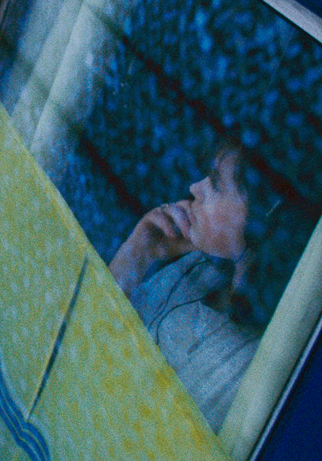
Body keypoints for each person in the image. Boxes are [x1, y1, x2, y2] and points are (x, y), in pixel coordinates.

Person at [107, 145, 281, 431]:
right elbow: (90, 331)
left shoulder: (240, 371)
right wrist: (138, 252)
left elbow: (113, 397)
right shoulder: (204, 265)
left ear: (264, 214)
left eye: (215, 185)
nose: (194, 188)